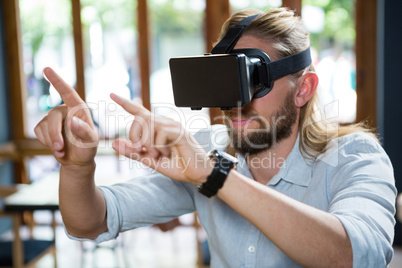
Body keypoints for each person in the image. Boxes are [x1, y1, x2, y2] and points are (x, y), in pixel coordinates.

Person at [34, 8, 396, 268]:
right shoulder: (205, 149)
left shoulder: (355, 156)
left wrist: (214, 176)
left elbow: (354, 256)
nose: (237, 103)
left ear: (303, 89)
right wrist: (78, 166)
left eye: (252, 79)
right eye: (227, 82)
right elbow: (90, 221)